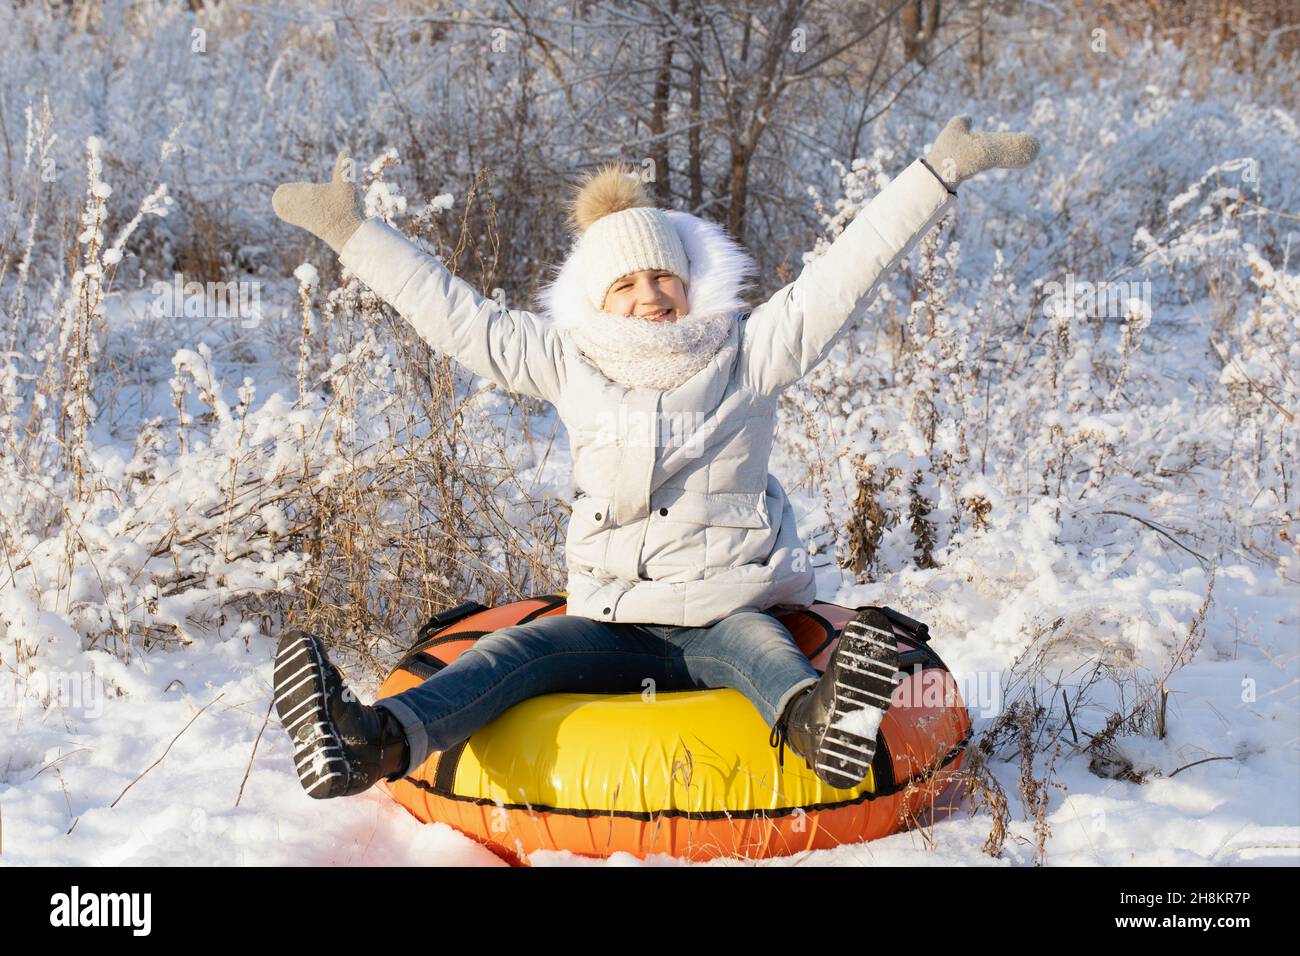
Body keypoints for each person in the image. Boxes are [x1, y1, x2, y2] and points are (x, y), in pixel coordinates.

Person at [270, 115, 1039, 799]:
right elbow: (454, 314)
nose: (650, 295)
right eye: (627, 282)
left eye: (663, 274)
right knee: (510, 655)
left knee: (767, 660)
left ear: (690, 278)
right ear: (597, 298)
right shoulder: (566, 361)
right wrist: (352, 233)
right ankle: (367, 741)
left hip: (728, 611)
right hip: (609, 619)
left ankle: (822, 728)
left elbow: (845, 273)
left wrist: (935, 173)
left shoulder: (751, 353)